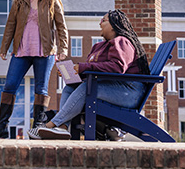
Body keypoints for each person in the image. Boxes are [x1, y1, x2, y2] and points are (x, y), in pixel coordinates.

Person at [27, 9, 150, 140]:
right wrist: (74, 73)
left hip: (129, 92)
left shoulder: (121, 41)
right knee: (70, 87)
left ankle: (51, 125)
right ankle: (62, 127)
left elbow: (117, 67)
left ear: (114, 25)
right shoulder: (100, 46)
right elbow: (97, 71)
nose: (100, 23)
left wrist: (83, 67)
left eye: (103, 20)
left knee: (87, 89)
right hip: (114, 88)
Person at [0, 0, 68, 139]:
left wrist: (63, 48)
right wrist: (4, 47)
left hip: (45, 51)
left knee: (41, 88)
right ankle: (2, 129)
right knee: (10, 86)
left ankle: (37, 129)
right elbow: (11, 24)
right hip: (21, 50)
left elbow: (61, 25)